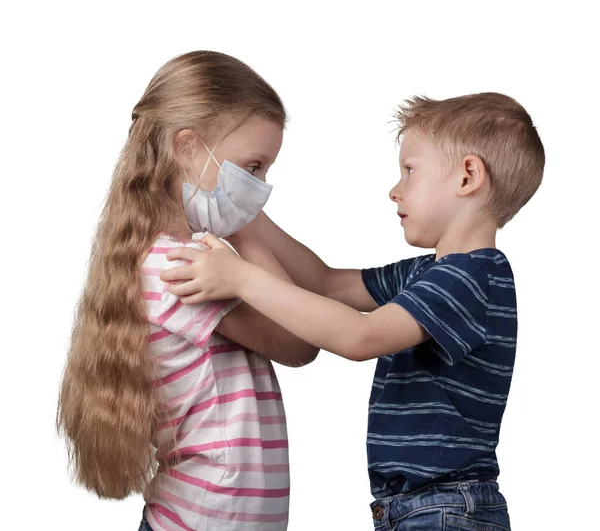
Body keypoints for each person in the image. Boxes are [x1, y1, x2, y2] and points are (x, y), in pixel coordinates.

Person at [160, 92, 545, 530]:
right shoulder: (429, 272)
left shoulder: (470, 278)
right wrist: (243, 217)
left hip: (445, 507)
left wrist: (242, 279)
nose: (394, 189)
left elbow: (359, 338)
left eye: (410, 170)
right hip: (416, 505)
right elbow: (327, 283)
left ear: (467, 177)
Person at [57, 50, 318, 531]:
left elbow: (313, 287)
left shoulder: (187, 255)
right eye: (252, 167)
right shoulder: (177, 266)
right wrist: (241, 229)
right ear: (188, 147)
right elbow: (298, 343)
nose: (260, 188)